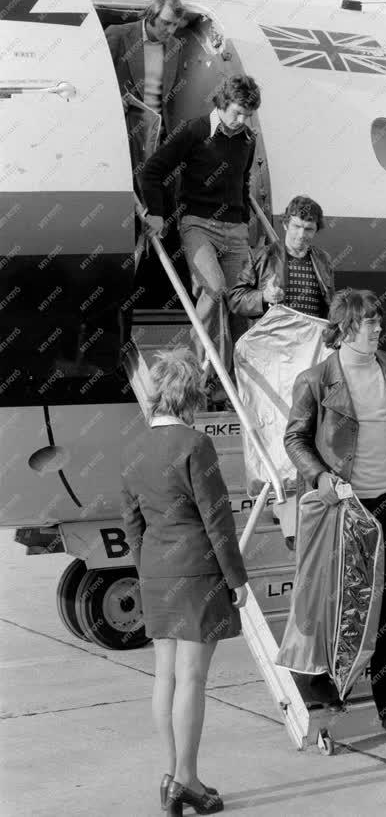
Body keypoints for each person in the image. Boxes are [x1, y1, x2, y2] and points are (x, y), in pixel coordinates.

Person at [284, 288, 386, 754]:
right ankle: (329, 701)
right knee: (336, 610)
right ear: (346, 326)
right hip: (346, 509)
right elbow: (295, 438)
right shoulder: (316, 380)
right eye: (370, 323)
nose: (378, 329)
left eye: (379, 322)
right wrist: (319, 476)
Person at [120, 347, 247, 814]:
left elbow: (131, 522)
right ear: (190, 396)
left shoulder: (132, 448)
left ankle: (171, 773)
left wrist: (147, 565)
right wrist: (236, 577)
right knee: (192, 679)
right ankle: (188, 781)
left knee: (165, 677)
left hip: (156, 571)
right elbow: (217, 519)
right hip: (196, 572)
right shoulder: (196, 445)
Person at [142, 75, 261, 408]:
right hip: (198, 225)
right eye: (238, 112)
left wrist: (244, 223)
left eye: (248, 114)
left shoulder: (247, 140)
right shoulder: (195, 131)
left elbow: (243, 182)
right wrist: (156, 212)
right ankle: (200, 374)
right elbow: (152, 170)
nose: (242, 121)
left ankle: (239, 380)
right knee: (214, 288)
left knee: (241, 304)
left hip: (235, 231)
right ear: (222, 104)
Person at [105, 0, 185, 190]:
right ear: (151, 14)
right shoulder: (118, 35)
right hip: (124, 131)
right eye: (166, 22)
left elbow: (171, 98)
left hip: (158, 136)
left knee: (157, 196)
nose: (170, 30)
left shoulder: (175, 46)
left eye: (175, 24)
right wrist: (114, 101)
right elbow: (96, 79)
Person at [228, 195, 334, 321]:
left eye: (308, 229)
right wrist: (263, 296)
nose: (301, 235)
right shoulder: (260, 256)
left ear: (316, 230)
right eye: (296, 226)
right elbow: (235, 300)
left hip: (311, 337)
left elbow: (330, 305)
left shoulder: (324, 260)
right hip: (274, 337)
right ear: (285, 224)